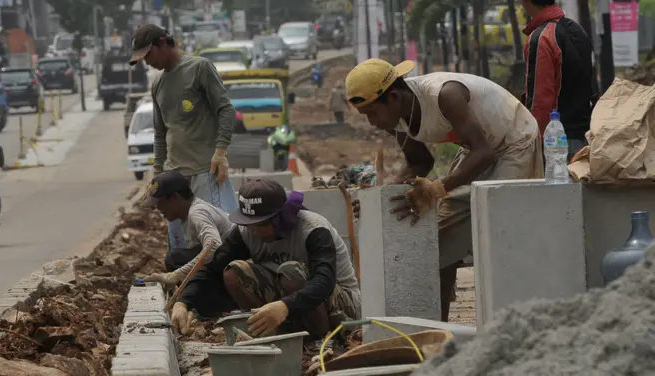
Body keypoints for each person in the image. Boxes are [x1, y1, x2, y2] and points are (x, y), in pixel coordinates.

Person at [345, 59, 543, 322]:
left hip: (514, 142)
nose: (372, 122)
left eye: (372, 113)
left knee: (499, 230)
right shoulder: (396, 118)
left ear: (392, 97)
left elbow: (485, 154)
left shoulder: (444, 95)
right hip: (478, 149)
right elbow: (420, 162)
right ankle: (438, 327)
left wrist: (438, 188)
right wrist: (378, 199)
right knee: (440, 236)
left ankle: (514, 318)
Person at [170, 179, 361, 339]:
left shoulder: (313, 229)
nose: (252, 230)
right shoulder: (247, 232)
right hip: (291, 303)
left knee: (291, 271)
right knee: (233, 272)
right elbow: (213, 268)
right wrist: (183, 301)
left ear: (279, 218)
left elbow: (324, 281)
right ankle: (270, 332)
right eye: (249, 224)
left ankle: (319, 339)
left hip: (340, 305)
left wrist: (286, 306)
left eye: (259, 225)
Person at [129, 24, 238, 250]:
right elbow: (160, 134)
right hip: (174, 179)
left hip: (205, 172)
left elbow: (225, 109)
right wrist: (158, 174)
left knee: (218, 242)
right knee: (180, 246)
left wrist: (220, 151)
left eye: (148, 54)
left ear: (162, 43)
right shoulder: (158, 84)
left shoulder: (199, 68)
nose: (147, 62)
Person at [521, 0, 596, 162]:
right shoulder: (577, 30)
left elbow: (540, 101)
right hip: (585, 139)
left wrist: (532, 148)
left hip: (556, 145)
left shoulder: (541, 38)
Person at [141, 171, 236, 292]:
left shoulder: (197, 213)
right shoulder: (187, 215)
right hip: (226, 260)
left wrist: (177, 275)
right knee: (176, 257)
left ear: (174, 197)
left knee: (174, 259)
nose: (157, 208)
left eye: (159, 202)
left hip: (235, 265)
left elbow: (214, 246)